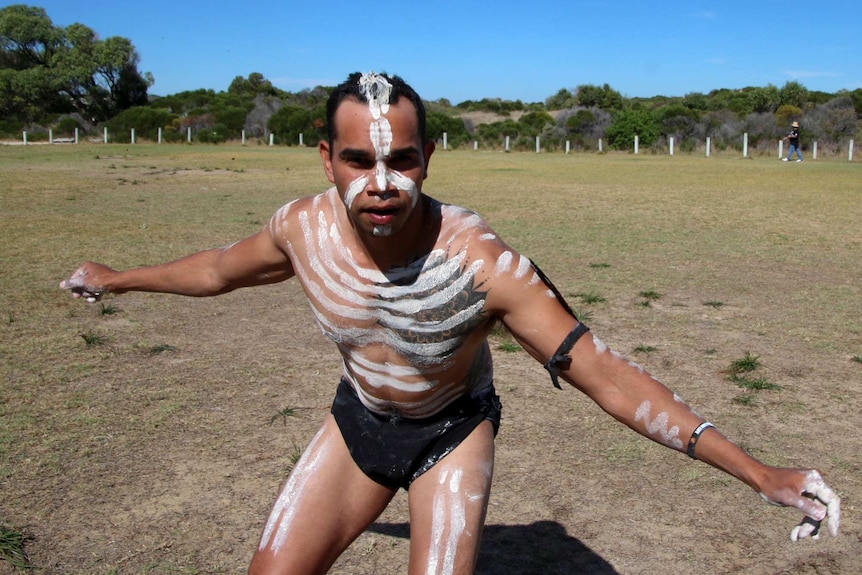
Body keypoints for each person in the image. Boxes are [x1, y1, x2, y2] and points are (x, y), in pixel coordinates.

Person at [61, 72, 840, 575]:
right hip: (358, 419)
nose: (383, 183)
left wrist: (760, 472)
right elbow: (217, 270)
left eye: (402, 159)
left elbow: (603, 372)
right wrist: (117, 279)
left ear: (429, 155)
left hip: (449, 431)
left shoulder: (482, 263)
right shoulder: (302, 229)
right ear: (327, 158)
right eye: (360, 162)